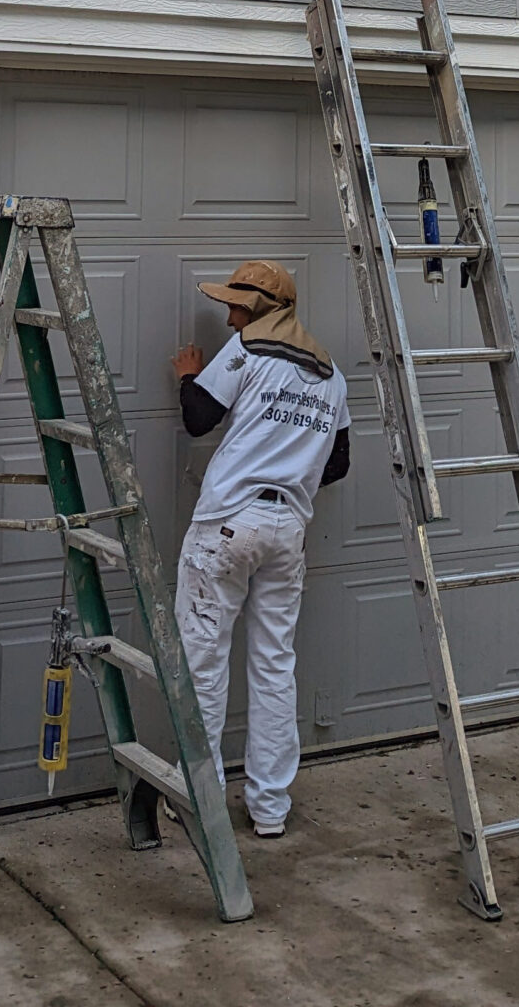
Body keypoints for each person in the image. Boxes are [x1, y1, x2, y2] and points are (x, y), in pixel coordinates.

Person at [172, 260, 352, 840]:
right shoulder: (331, 375)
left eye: (236, 306)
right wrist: (287, 473)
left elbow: (200, 419)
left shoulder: (248, 349)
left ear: (258, 310)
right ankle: (270, 809)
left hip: (227, 524)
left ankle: (198, 798)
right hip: (287, 530)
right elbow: (340, 461)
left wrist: (187, 376)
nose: (228, 316)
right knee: (275, 664)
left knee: (204, 658)